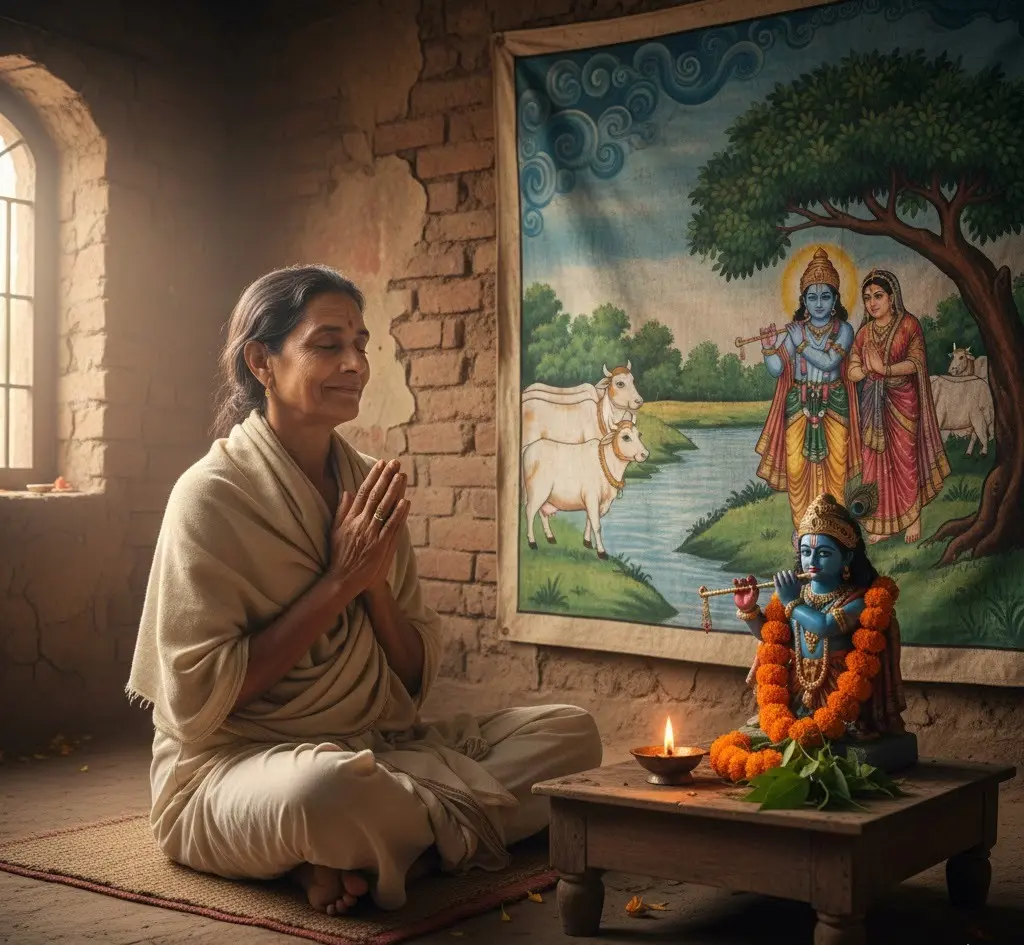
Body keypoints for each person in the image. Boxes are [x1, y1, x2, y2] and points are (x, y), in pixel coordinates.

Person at [126, 264, 602, 917]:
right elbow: (202, 698)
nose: (355, 362)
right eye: (328, 344)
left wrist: (372, 587)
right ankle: (398, 839)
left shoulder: (367, 484)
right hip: (238, 768)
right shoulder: (209, 497)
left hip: (378, 747)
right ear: (261, 360)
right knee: (322, 793)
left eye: (362, 343)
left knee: (573, 735)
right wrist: (337, 583)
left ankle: (363, 851)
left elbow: (409, 683)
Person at [731, 492, 907, 742]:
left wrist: (791, 602)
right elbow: (773, 637)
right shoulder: (796, 594)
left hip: (841, 690)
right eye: (805, 552)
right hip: (796, 688)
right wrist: (749, 610)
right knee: (778, 735)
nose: (810, 561)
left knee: (840, 738)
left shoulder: (857, 600)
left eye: (823, 553)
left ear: (846, 557)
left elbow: (825, 626)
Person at [754, 248, 862, 531]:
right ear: (803, 300)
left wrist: (800, 343)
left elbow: (829, 363)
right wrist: (768, 350)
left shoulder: (844, 330)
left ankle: (834, 528)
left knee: (836, 470)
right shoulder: (795, 330)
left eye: (825, 296)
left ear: (835, 299)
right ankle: (802, 530)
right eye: (812, 297)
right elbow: (778, 368)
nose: (818, 304)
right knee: (797, 470)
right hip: (798, 405)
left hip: (834, 403)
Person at [847, 269, 950, 543]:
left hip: (903, 401)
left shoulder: (909, 325)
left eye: (878, 296)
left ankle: (913, 518)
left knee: (905, 460)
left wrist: (886, 369)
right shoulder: (865, 332)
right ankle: (881, 523)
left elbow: (915, 363)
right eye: (867, 297)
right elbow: (852, 368)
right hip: (873, 404)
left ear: (892, 298)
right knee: (874, 462)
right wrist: (865, 371)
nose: (872, 303)